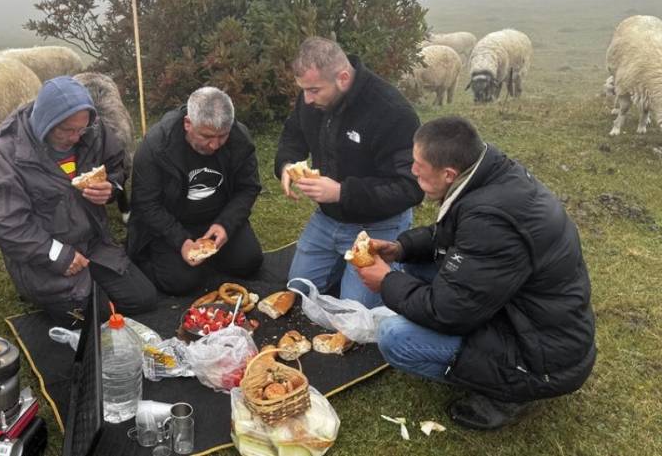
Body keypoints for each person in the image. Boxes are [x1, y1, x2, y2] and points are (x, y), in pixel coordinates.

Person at [356, 116, 596, 430]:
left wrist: (386, 281)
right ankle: (486, 366)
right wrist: (401, 248)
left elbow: (447, 312)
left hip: (541, 356)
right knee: (410, 265)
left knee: (394, 338)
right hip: (527, 316)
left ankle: (505, 393)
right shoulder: (488, 175)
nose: (411, 170)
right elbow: (456, 234)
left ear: (448, 174)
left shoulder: (491, 220)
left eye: (418, 164)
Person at [0, 76, 156, 323]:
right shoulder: (6, 154)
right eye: (66, 130)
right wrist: (59, 255)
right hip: (44, 256)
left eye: (81, 129)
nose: (76, 137)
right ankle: (68, 295)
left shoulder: (93, 130)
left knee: (143, 299)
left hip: (93, 244)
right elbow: (7, 224)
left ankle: (91, 288)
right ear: (45, 121)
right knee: (99, 317)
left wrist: (112, 188)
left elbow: (117, 166)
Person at [275, 36, 423, 306]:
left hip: (378, 225)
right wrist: (286, 164)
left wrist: (343, 192)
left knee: (355, 311)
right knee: (296, 290)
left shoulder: (391, 111)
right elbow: (292, 136)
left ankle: (396, 267)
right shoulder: (313, 98)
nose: (306, 100)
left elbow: (410, 188)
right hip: (328, 218)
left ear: (343, 78)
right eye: (303, 90)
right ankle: (343, 270)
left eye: (314, 90)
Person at [127, 87, 263, 295]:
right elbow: (145, 204)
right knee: (181, 283)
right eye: (206, 136)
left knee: (249, 262)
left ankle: (208, 258)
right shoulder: (156, 146)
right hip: (172, 223)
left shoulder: (239, 139)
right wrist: (181, 240)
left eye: (222, 136)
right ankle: (149, 261)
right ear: (188, 123)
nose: (215, 145)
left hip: (217, 218)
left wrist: (226, 224)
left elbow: (248, 187)